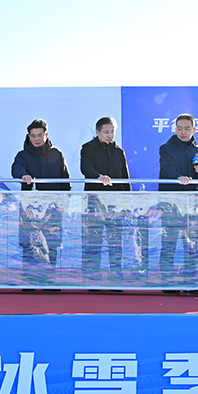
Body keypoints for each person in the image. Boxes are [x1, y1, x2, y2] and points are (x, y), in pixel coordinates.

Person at [156, 114, 198, 294]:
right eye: (180, 128)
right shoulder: (166, 148)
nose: (183, 132)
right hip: (170, 203)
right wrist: (179, 178)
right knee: (169, 243)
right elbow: (166, 170)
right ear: (175, 129)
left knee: (191, 244)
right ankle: (168, 283)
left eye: (187, 128)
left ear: (194, 130)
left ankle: (190, 283)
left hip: (191, 203)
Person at [10, 119, 70, 272]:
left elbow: (65, 181)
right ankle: (29, 278)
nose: (36, 139)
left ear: (46, 135)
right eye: (33, 135)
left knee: (52, 244)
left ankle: (50, 277)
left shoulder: (57, 154)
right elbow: (16, 168)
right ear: (28, 136)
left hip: (52, 209)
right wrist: (23, 175)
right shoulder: (22, 155)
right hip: (30, 209)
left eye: (40, 135)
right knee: (29, 244)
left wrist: (64, 203)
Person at [80, 117, 129, 278]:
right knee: (93, 240)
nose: (110, 135)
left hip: (115, 203)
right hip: (95, 201)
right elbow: (85, 168)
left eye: (112, 132)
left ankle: (116, 275)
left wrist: (126, 200)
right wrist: (98, 176)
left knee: (115, 241)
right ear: (97, 132)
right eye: (106, 132)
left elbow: (125, 177)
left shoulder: (118, 151)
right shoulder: (88, 148)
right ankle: (92, 276)